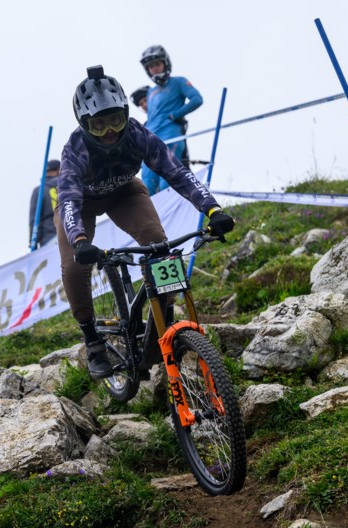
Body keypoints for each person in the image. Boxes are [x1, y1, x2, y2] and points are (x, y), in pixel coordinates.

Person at [55, 65, 234, 379]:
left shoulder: (137, 134)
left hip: (124, 192)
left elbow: (177, 172)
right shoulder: (75, 150)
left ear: (126, 114)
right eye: (99, 125)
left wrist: (213, 210)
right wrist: (80, 241)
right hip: (82, 203)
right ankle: (93, 339)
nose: (110, 132)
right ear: (85, 126)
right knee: (73, 264)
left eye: (115, 121)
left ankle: (160, 328)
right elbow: (69, 199)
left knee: (158, 245)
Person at [139, 45, 203, 194]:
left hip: (171, 136)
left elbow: (197, 99)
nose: (154, 69)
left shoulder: (179, 82)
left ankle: (177, 215)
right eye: (150, 66)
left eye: (157, 64)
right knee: (147, 186)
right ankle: (156, 218)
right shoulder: (150, 92)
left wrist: (176, 114)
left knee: (166, 182)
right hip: (150, 141)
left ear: (165, 64)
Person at [29, 159, 60, 248]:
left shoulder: (39, 190)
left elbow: (34, 220)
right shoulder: (70, 186)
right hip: (73, 236)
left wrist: (33, 244)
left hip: (48, 240)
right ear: (59, 170)